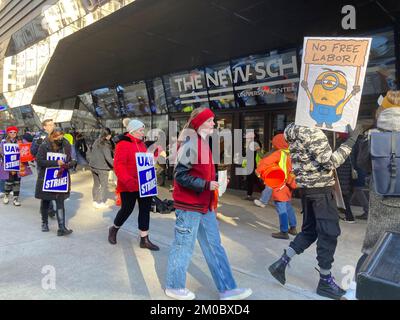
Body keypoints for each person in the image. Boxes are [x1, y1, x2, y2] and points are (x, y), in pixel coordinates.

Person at [268, 121, 365, 300]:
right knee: (329, 234)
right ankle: (325, 282)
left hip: (307, 190)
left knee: (310, 231)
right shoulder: (314, 132)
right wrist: (351, 141)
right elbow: (331, 162)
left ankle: (281, 263)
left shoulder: (292, 130)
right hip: (321, 190)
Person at [165, 107, 252, 300]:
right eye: (210, 120)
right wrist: (207, 184)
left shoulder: (201, 142)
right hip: (189, 207)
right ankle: (174, 286)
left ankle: (228, 289)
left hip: (204, 205)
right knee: (183, 246)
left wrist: (217, 181)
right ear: (200, 123)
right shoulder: (191, 143)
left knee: (215, 247)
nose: (214, 123)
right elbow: (180, 176)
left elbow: (198, 172)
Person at [355, 90, 400, 275]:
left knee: (374, 248)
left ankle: (358, 289)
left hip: (382, 195)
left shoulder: (373, 133)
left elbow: (362, 164)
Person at [108, 119, 159, 251]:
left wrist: (154, 156)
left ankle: (144, 239)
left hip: (144, 184)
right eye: (141, 130)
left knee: (144, 210)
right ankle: (114, 228)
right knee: (127, 209)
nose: (143, 133)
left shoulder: (142, 144)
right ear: (133, 131)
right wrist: (129, 181)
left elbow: (146, 162)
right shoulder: (123, 144)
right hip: (128, 185)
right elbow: (119, 166)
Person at [256, 133, 297, 239]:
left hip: (280, 184)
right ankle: (293, 227)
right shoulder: (292, 153)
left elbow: (265, 161)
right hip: (290, 184)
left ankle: (284, 232)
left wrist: (258, 171)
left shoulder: (280, 153)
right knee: (288, 206)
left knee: (281, 207)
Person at [35, 128, 75, 236]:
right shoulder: (44, 146)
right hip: (46, 179)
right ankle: (44, 223)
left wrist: (71, 163)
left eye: (61, 137)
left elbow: (70, 159)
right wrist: (55, 162)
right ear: (52, 137)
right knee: (46, 201)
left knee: (60, 202)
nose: (60, 139)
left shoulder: (65, 145)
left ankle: (61, 228)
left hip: (61, 179)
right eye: (57, 137)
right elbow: (39, 161)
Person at [0, 126, 32, 206]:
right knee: (9, 181)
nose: (13, 134)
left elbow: (27, 149)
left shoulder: (21, 141)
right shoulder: (4, 141)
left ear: (17, 133)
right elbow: (1, 152)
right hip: (8, 164)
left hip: (19, 164)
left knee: (17, 181)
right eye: (11, 132)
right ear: (8, 133)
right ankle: (6, 195)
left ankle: (15, 198)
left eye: (14, 132)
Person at [31, 119, 56, 217]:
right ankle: (48, 209)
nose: (52, 127)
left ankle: (48, 208)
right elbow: (32, 151)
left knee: (52, 185)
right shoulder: (38, 136)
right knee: (45, 186)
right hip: (43, 165)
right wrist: (38, 143)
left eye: (52, 125)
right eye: (49, 125)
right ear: (44, 126)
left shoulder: (56, 135)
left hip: (54, 163)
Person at [89, 128, 114, 209]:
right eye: (110, 135)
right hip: (102, 168)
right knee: (104, 185)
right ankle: (99, 202)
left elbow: (91, 151)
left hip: (93, 166)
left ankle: (95, 200)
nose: (110, 136)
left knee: (96, 184)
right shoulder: (105, 144)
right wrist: (116, 166)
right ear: (107, 135)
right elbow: (108, 158)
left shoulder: (97, 141)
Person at [336, 132, 356, 223]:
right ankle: (345, 213)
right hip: (347, 172)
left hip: (341, 172)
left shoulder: (340, 144)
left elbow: (337, 159)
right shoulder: (350, 144)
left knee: (344, 195)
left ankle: (349, 217)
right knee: (344, 195)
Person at [243, 132, 264, 200]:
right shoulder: (252, 143)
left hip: (252, 164)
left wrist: (267, 157)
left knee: (251, 180)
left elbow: (260, 154)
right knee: (254, 180)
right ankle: (264, 192)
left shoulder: (255, 143)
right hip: (251, 164)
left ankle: (250, 195)